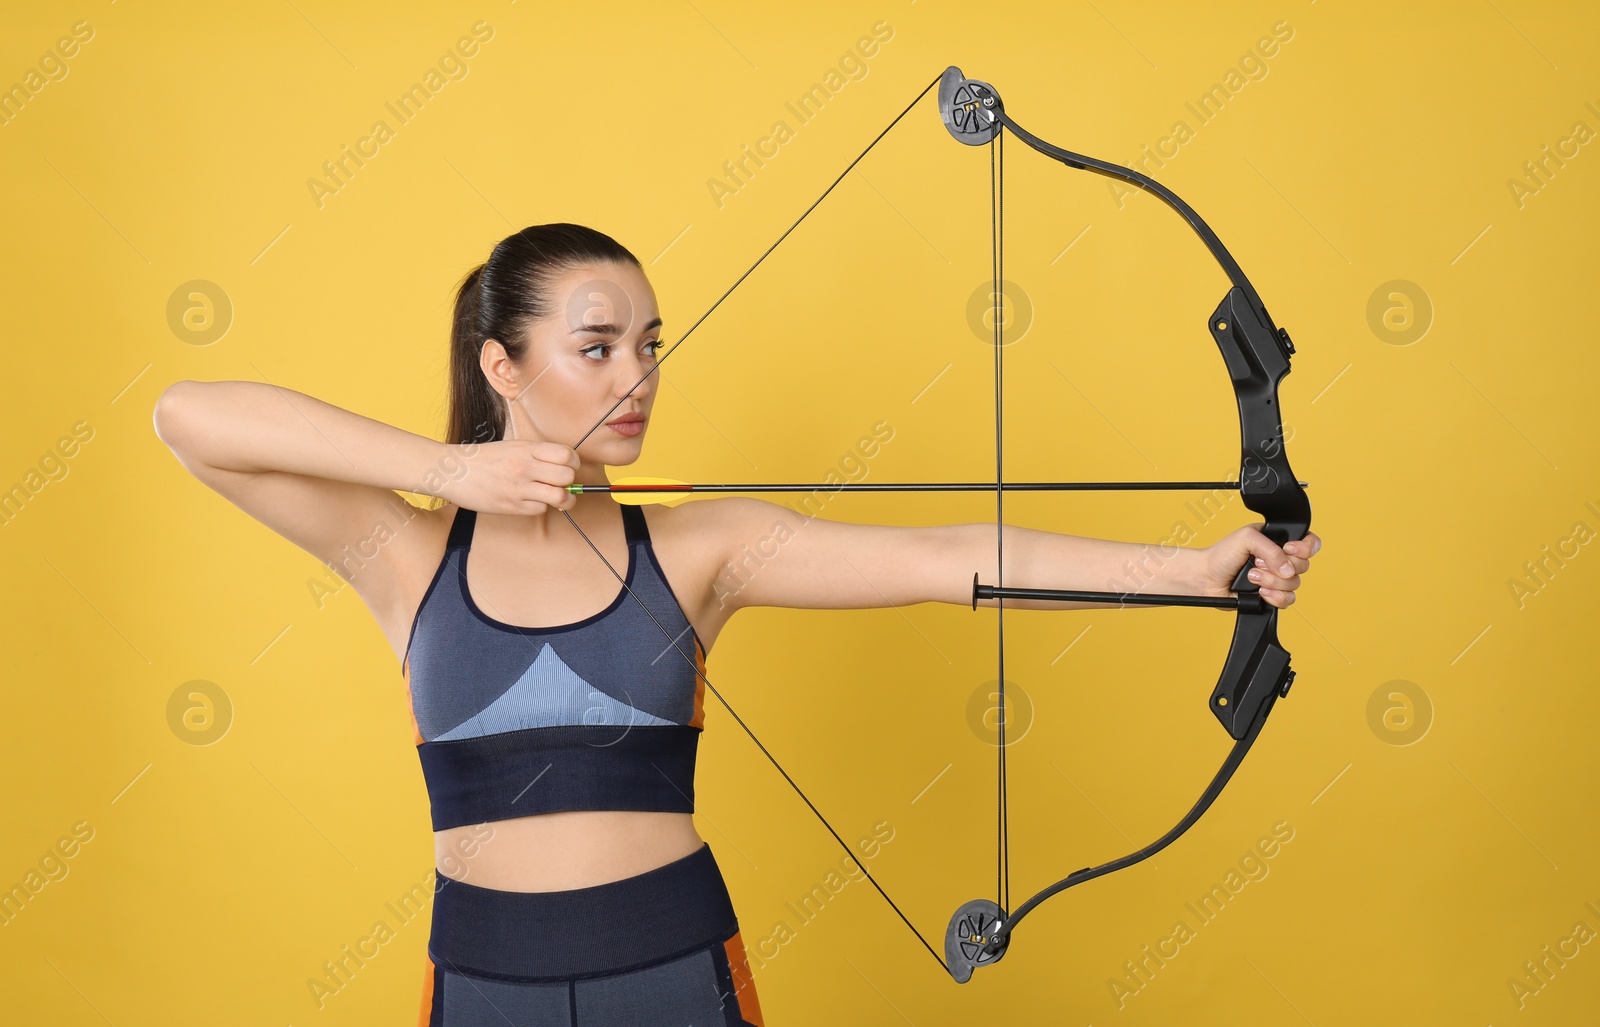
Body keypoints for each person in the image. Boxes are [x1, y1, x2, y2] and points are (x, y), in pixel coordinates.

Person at [152, 223, 1321, 1025]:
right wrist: (444, 470)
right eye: (598, 345)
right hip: (484, 982)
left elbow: (945, 557)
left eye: (650, 344)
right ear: (501, 365)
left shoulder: (698, 549)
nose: (638, 374)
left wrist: (1193, 569)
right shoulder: (405, 554)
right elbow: (188, 415)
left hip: (676, 972)